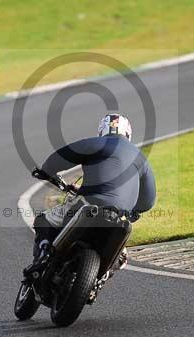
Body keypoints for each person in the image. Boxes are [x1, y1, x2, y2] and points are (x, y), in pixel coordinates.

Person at [28, 113, 157, 271]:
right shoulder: (142, 158)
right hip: (119, 217)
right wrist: (132, 212)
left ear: (102, 132)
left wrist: (47, 172)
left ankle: (41, 259)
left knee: (44, 220)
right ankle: (97, 283)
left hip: (88, 205)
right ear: (128, 134)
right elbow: (148, 201)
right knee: (122, 257)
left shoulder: (98, 144)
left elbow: (59, 158)